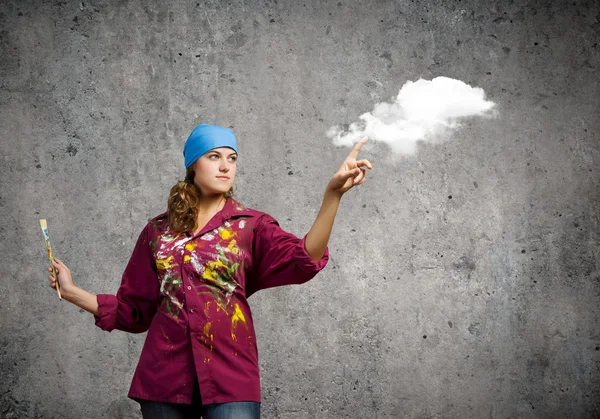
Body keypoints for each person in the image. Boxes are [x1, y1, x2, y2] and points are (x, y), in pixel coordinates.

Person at [47, 124, 372, 419]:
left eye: (232, 158)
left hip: (231, 374)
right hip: (163, 379)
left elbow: (304, 259)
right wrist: (72, 291)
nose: (225, 165)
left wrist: (333, 196)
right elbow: (133, 312)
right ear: (193, 165)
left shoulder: (250, 226)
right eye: (213, 156)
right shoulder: (158, 232)